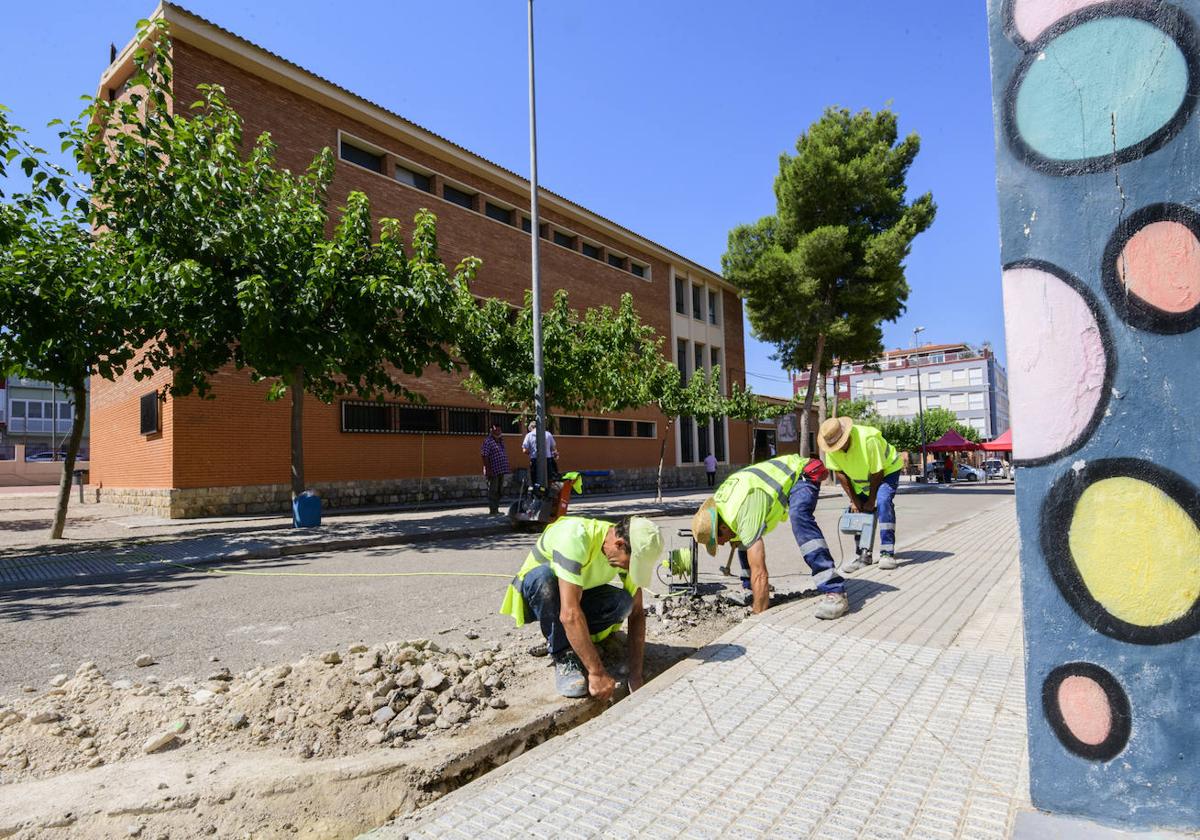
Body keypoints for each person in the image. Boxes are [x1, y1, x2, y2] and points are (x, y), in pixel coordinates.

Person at [500, 515, 663, 699]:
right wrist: (597, 673)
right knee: (544, 579)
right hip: (541, 596)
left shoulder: (623, 547)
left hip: (576, 595)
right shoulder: (575, 538)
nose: (629, 570)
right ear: (618, 544)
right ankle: (563, 653)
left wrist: (635, 675)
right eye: (631, 564)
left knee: (624, 603)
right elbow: (569, 614)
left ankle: (581, 641)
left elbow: (637, 613)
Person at [691, 454, 848, 619]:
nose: (721, 545)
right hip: (767, 486)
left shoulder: (743, 511)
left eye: (718, 541)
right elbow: (740, 536)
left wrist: (758, 613)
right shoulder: (722, 507)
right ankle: (750, 589)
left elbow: (760, 572)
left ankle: (835, 590)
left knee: (799, 517)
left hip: (802, 473)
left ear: (722, 526)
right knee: (743, 539)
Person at [819, 416, 904, 571]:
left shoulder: (868, 440)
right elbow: (840, 474)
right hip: (862, 477)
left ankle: (887, 553)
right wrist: (854, 500)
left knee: (883, 500)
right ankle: (863, 555)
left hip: (886, 471)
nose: (837, 448)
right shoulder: (831, 446)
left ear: (846, 435)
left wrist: (871, 500)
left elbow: (877, 473)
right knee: (858, 510)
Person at [480, 422, 510, 515]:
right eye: (496, 430)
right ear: (492, 430)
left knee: (500, 490)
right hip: (493, 470)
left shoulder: (500, 440)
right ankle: (493, 510)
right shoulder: (488, 441)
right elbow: (484, 455)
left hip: (501, 469)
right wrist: (488, 469)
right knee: (493, 490)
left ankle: (496, 508)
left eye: (500, 430)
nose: (498, 431)